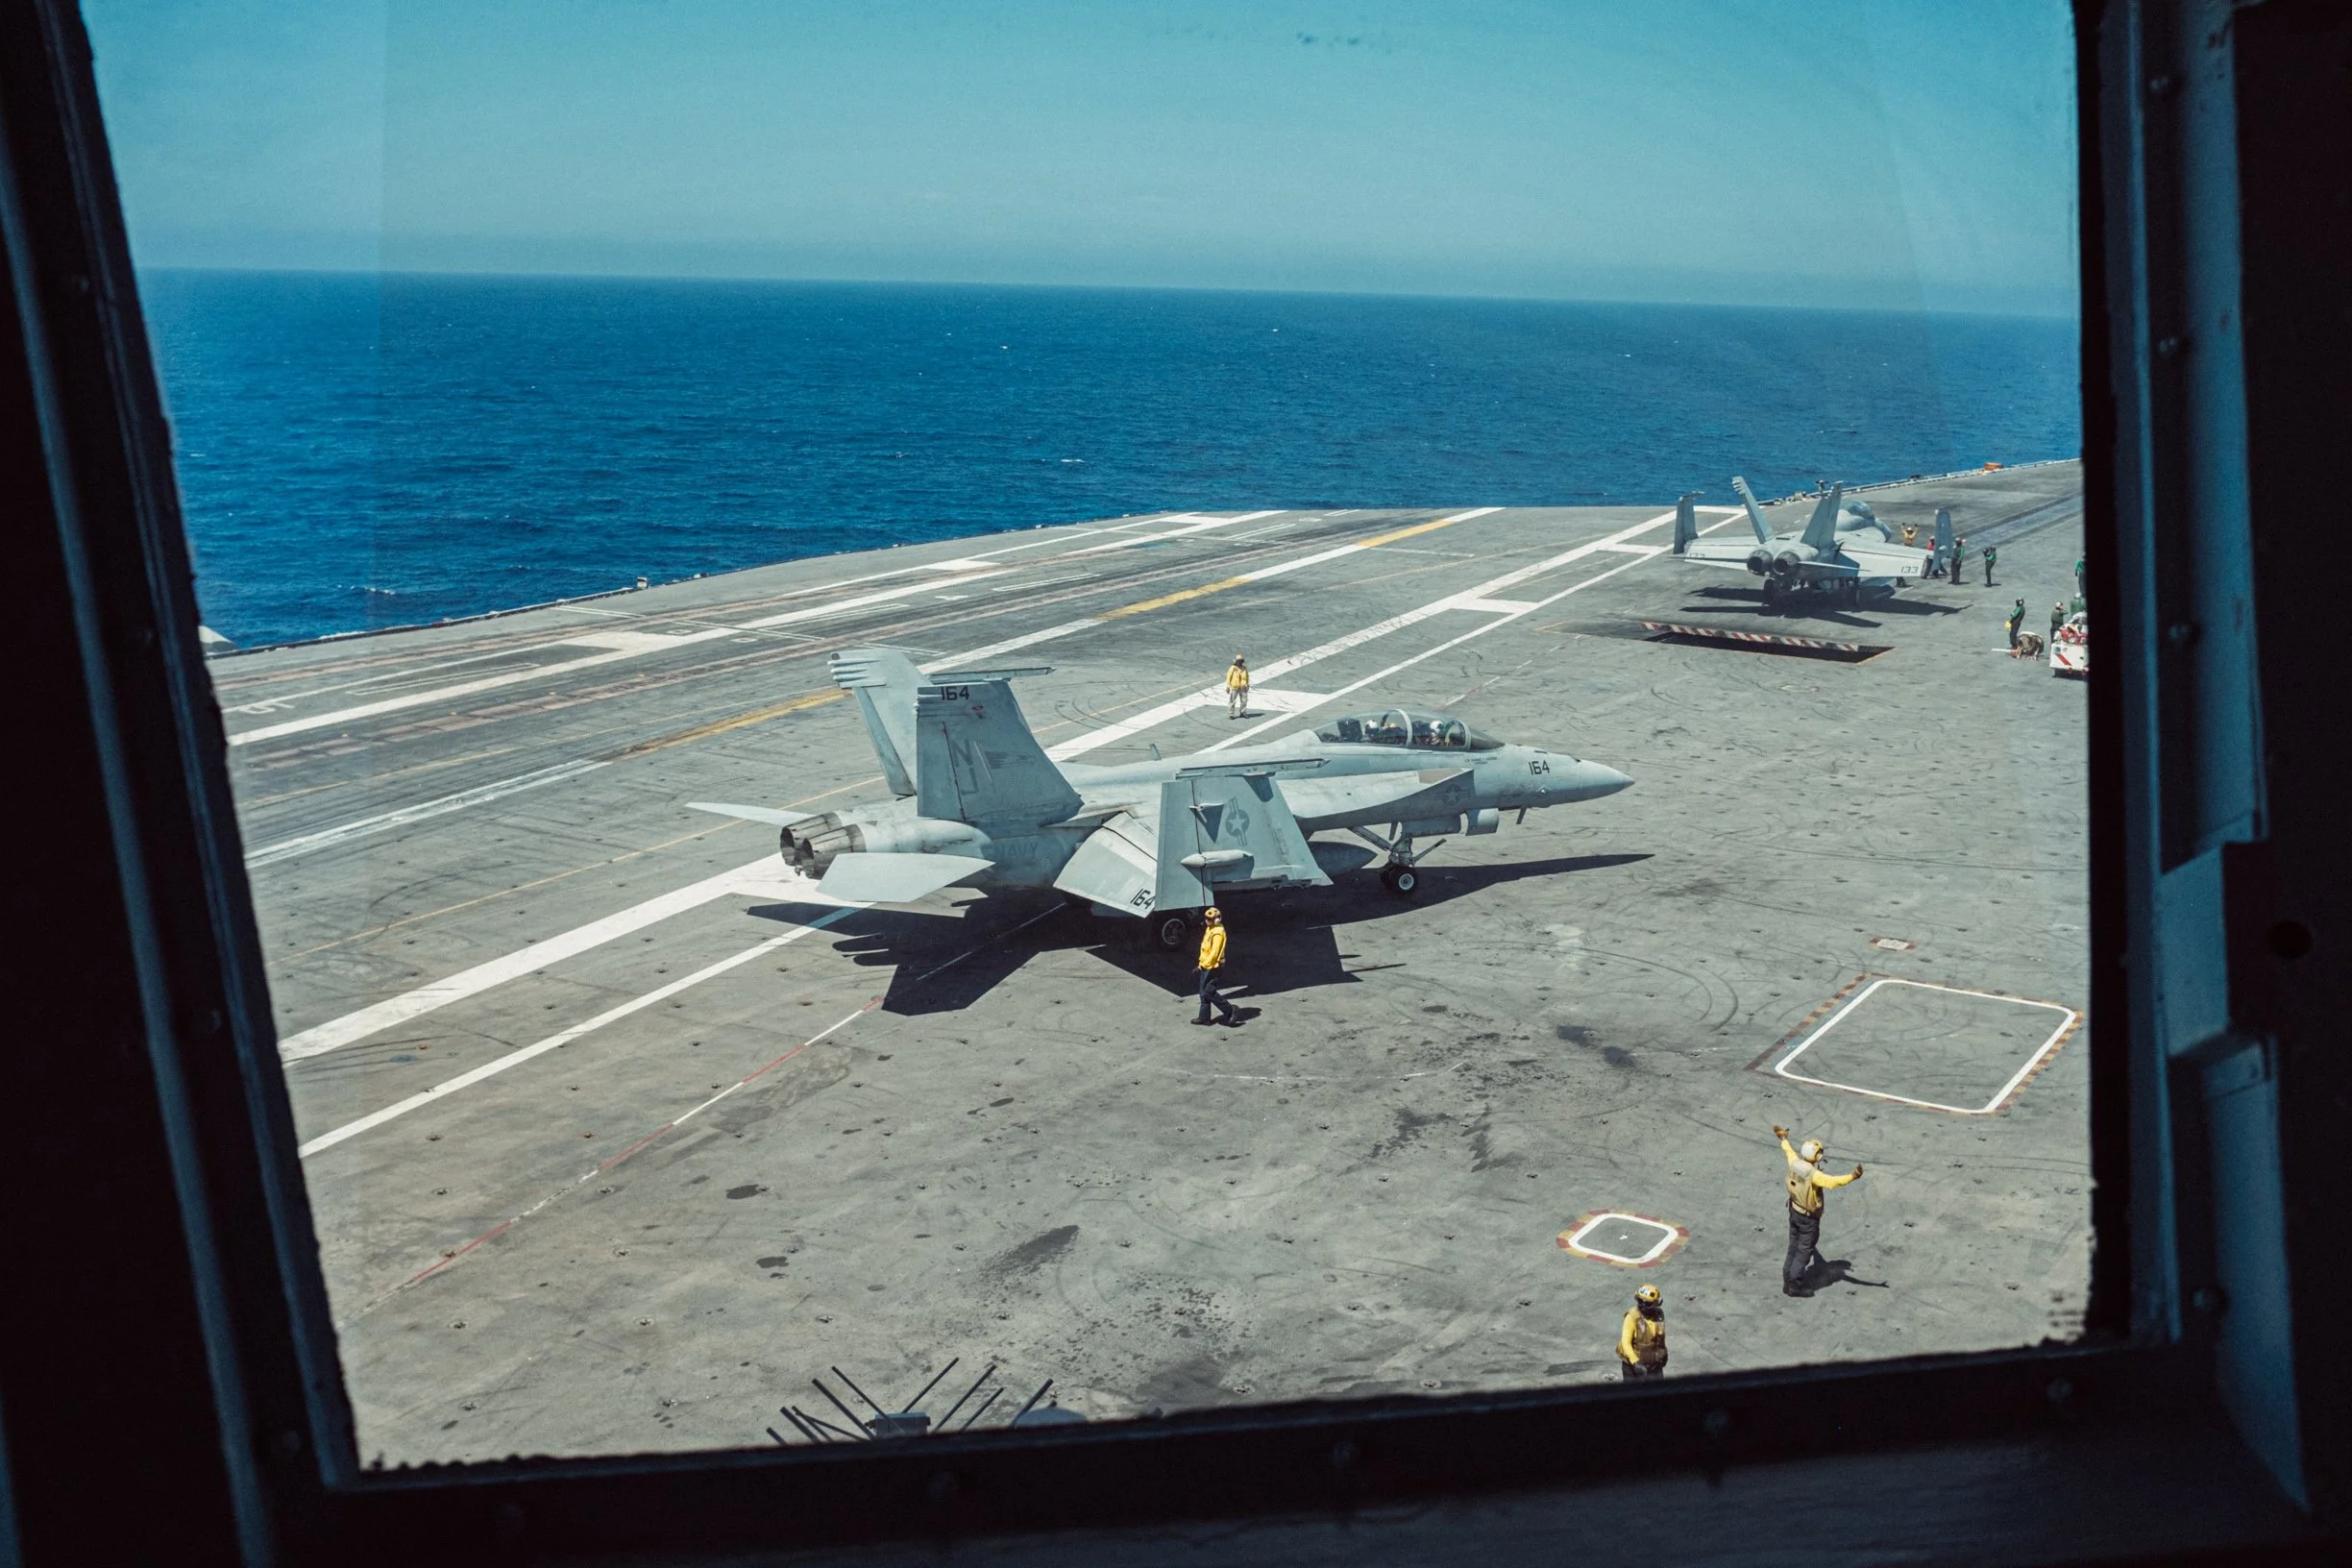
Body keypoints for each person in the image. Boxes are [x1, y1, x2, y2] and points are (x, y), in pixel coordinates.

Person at [1775, 1124, 1862, 1296]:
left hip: (1793, 1211)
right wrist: (1852, 1176)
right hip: (1808, 1219)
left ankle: (1787, 1282)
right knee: (1803, 1252)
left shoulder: (1795, 1163)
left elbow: (1788, 1151)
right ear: (1816, 1156)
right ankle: (1794, 1287)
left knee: (1793, 1247)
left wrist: (1783, 1139)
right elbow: (1833, 1182)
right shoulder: (1814, 1175)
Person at [1191, 907, 1239, 1026]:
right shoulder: (1210, 928)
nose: (1207, 921)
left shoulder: (1218, 933)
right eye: (1206, 918)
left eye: (1210, 919)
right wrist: (1202, 964)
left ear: (1217, 920)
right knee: (1203, 992)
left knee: (1208, 991)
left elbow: (1214, 953)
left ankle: (1230, 1010)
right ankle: (1204, 1018)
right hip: (1206, 965)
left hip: (1214, 967)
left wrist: (1202, 966)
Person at [1617, 1285, 1668, 1381]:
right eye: (1640, 1302)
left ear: (1656, 1303)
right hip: (1633, 1369)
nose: (1643, 1306)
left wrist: (1664, 1354)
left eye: (1648, 1304)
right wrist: (1635, 1363)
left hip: (1655, 1367)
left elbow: (1660, 1338)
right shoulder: (1632, 1316)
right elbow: (1626, 1343)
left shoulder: (1659, 1315)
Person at [1224, 655, 1250, 719]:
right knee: (1232, 701)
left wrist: (1248, 685)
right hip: (1235, 687)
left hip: (1243, 687)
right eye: (1238, 661)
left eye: (1241, 661)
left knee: (1244, 700)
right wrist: (1228, 687)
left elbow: (1247, 677)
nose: (1239, 662)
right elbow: (1228, 677)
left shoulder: (1244, 668)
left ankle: (1243, 712)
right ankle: (1231, 714)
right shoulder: (1233, 668)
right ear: (1236, 661)